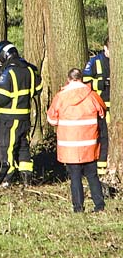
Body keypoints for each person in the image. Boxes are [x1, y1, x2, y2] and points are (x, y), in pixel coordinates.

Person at [47, 68, 107, 213]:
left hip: (70, 146)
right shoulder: (92, 95)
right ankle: (99, 205)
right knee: (92, 175)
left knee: (75, 177)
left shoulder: (60, 97)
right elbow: (102, 112)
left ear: (68, 79)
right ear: (82, 79)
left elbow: (51, 119)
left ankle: (78, 208)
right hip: (89, 144)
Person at [0, 41, 42, 187]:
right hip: (25, 117)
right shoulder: (29, 70)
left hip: (9, 118)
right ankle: (26, 178)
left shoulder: (8, 73)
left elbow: (2, 97)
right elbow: (38, 88)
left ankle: (7, 178)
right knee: (23, 147)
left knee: (7, 148)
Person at [83, 37, 111, 179]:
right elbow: (85, 83)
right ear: (105, 48)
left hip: (115, 108)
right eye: (109, 50)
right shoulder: (95, 62)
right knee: (103, 138)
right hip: (101, 107)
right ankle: (101, 169)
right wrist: (102, 84)